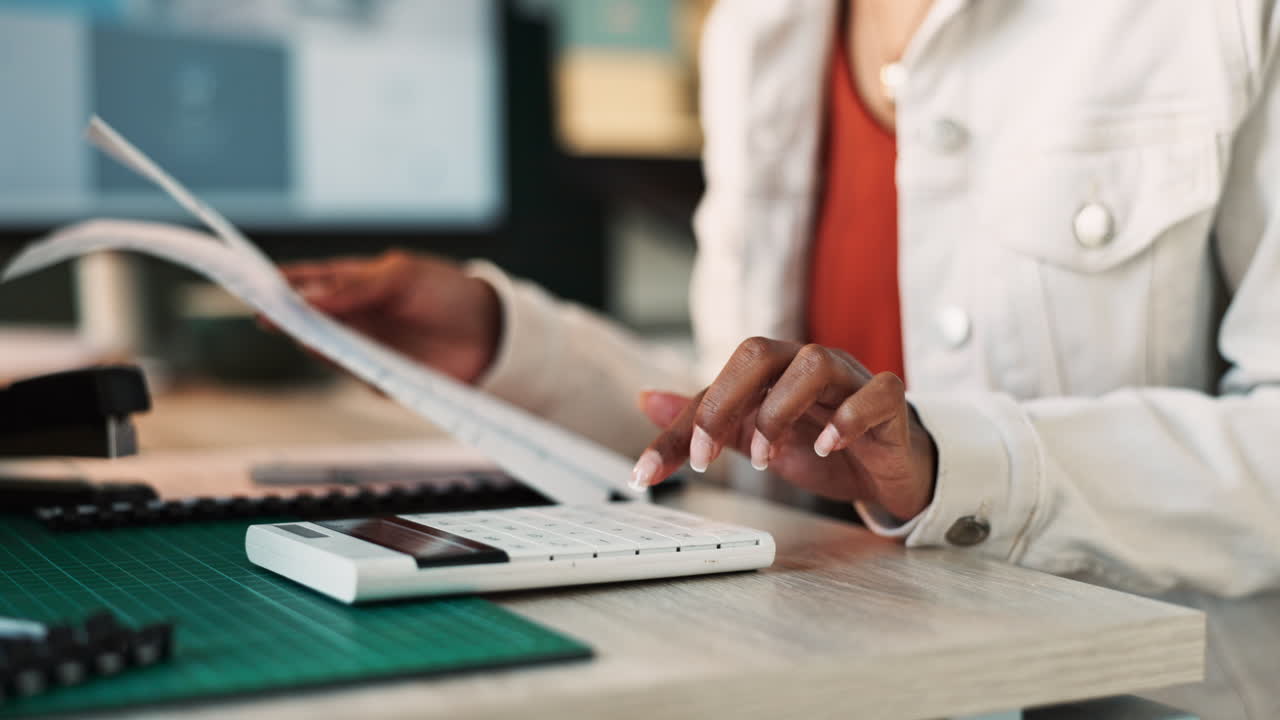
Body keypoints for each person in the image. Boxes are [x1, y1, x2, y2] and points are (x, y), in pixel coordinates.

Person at [283, 2, 1280, 716]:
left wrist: (950, 463)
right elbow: (744, 423)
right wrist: (503, 344)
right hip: (815, 675)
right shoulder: (760, 28)